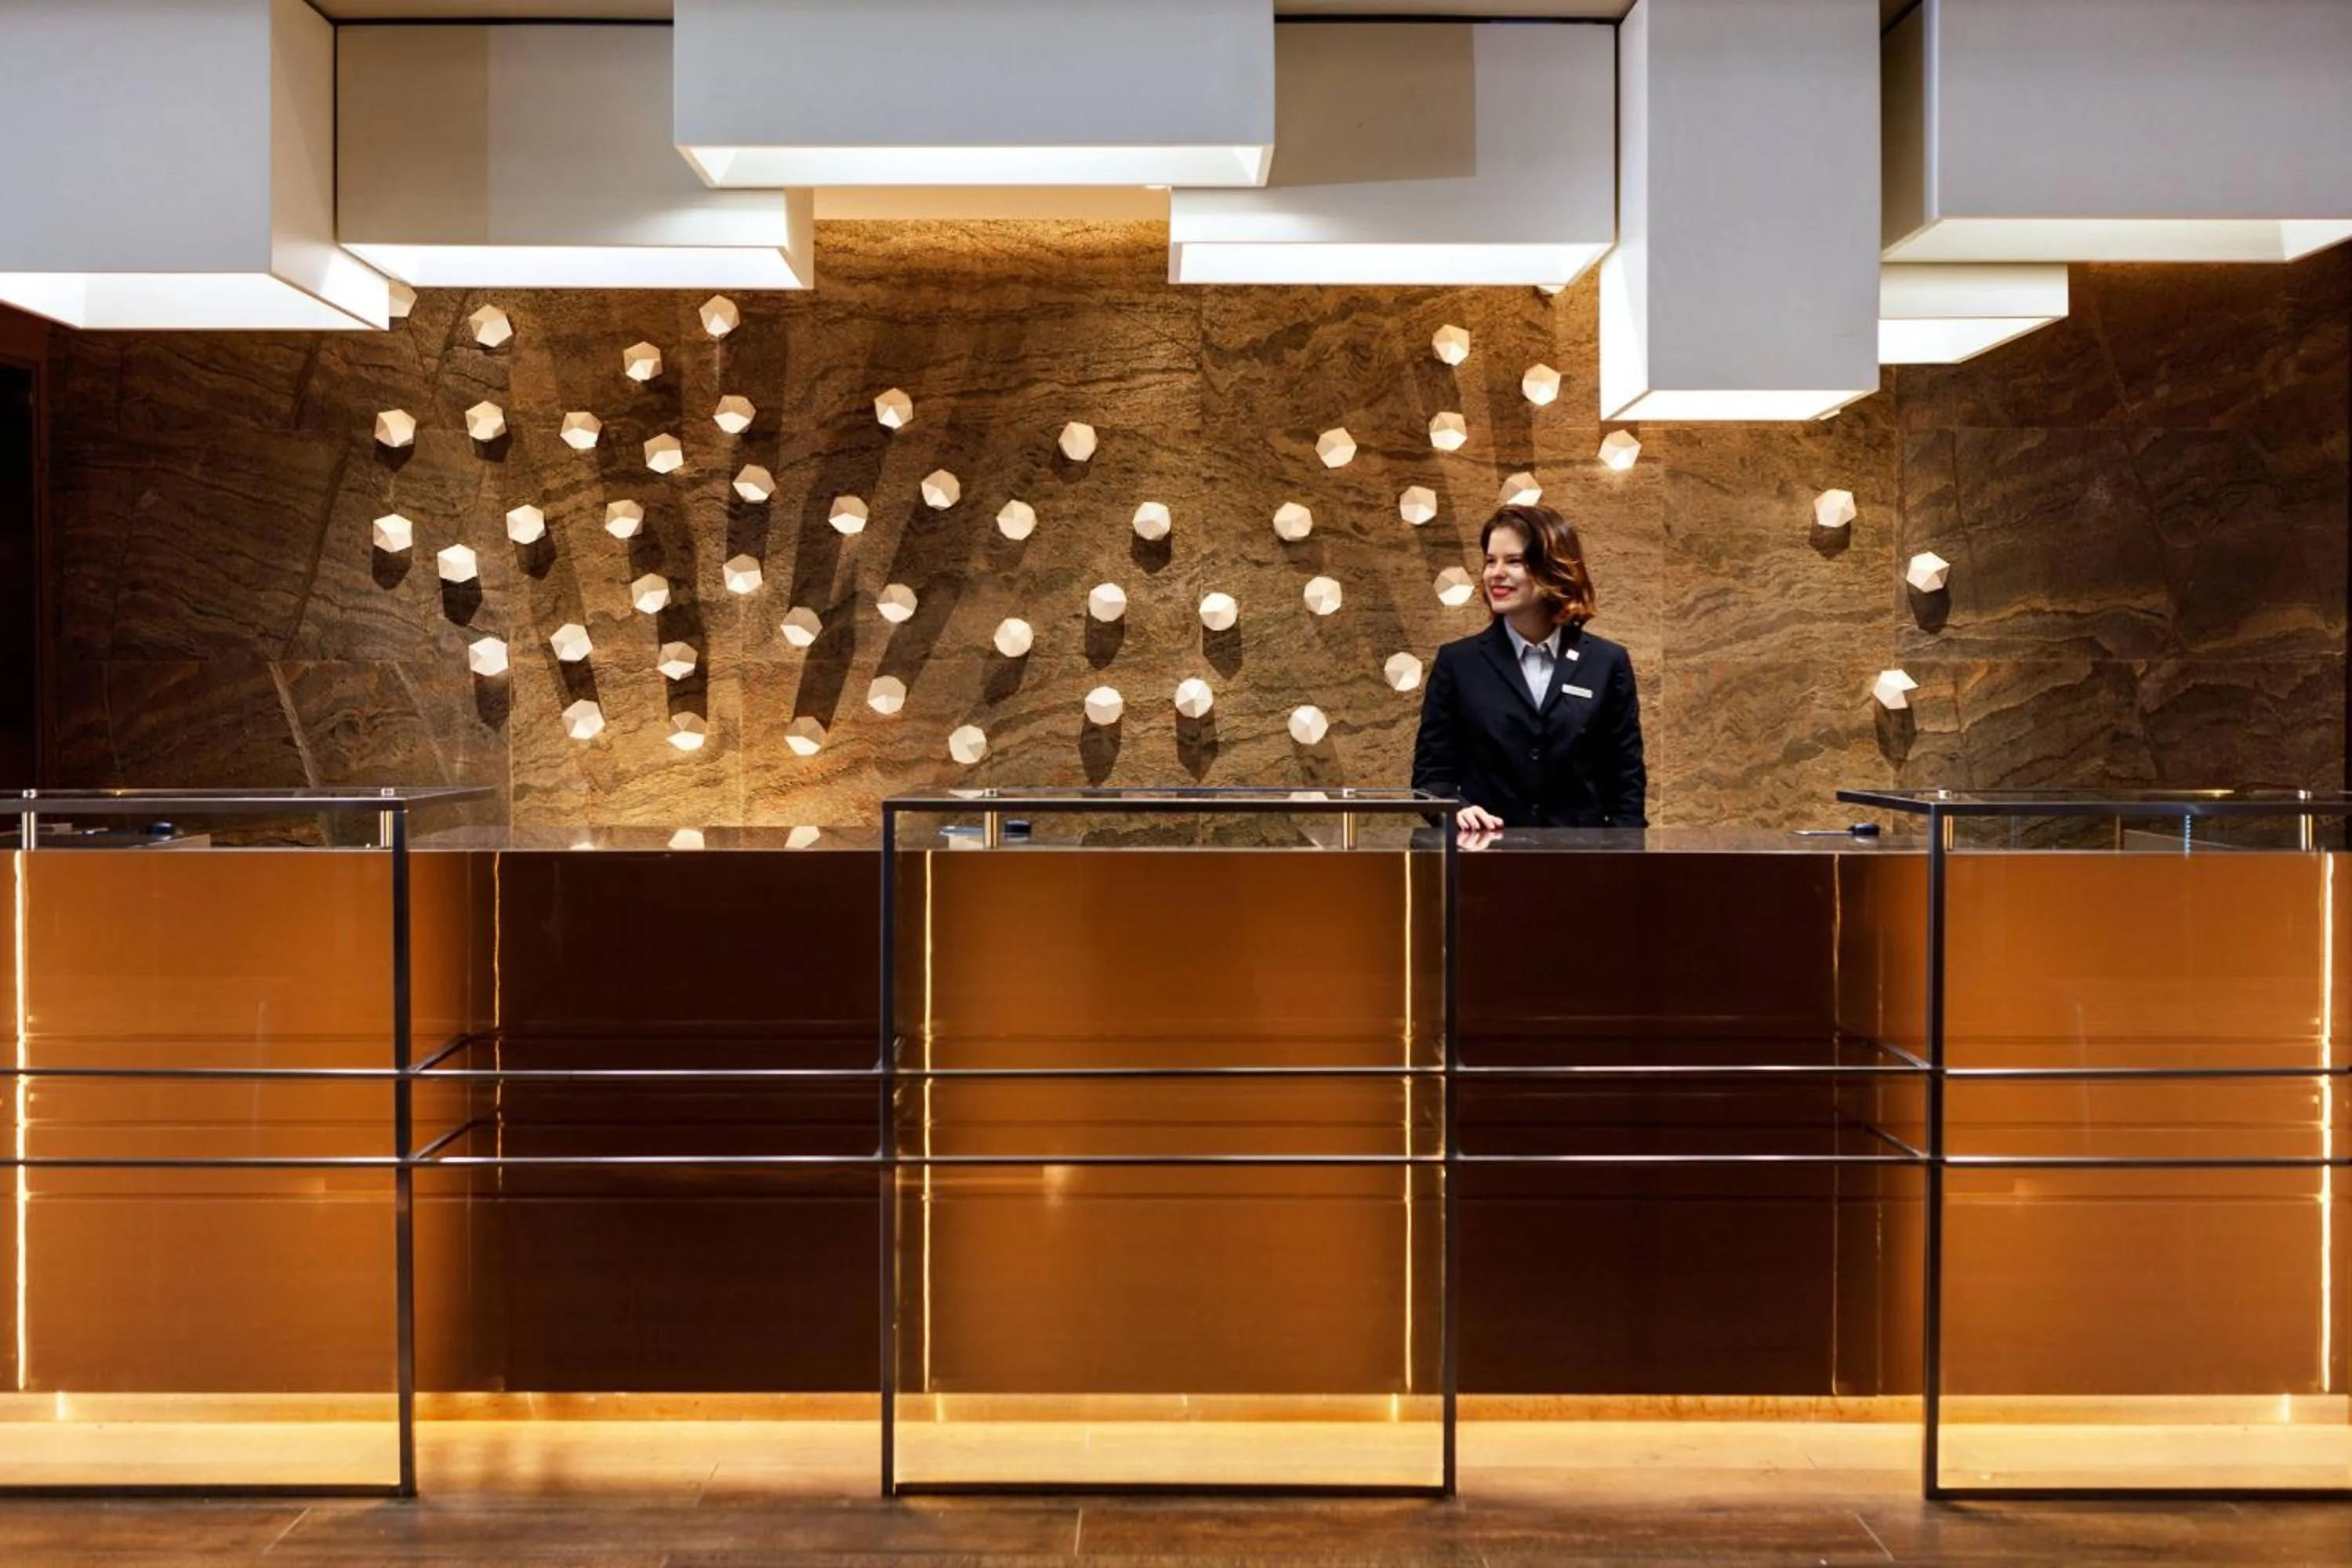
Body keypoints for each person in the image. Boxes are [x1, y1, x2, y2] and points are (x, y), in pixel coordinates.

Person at [1410, 504, 1646, 839]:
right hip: (1485, 865)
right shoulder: (1458, 663)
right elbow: (1431, 777)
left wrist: (1624, 862)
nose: (1495, 573)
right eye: (1490, 561)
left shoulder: (1607, 662)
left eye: (1514, 561)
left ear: (1554, 568)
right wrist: (1457, 809)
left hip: (1583, 869)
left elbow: (1626, 783)